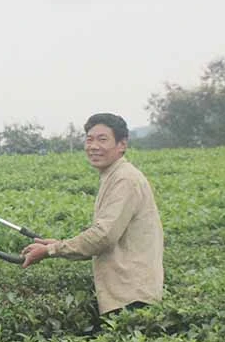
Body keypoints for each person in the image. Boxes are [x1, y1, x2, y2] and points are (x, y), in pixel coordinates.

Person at [21, 113, 164, 315]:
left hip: (132, 297)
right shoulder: (114, 175)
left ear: (122, 144)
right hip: (127, 293)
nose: (93, 146)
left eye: (102, 139)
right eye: (89, 139)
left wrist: (51, 250)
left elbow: (103, 237)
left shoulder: (124, 180)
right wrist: (59, 244)